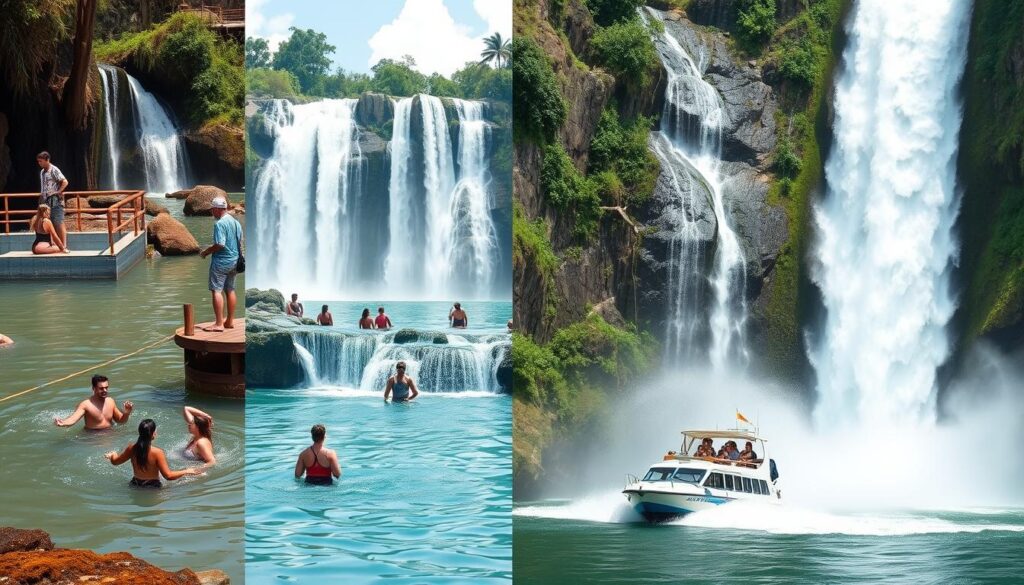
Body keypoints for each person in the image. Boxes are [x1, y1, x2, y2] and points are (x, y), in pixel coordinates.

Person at [105, 419, 202, 488]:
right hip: (152, 487)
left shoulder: (132, 448)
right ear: (153, 434)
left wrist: (113, 454)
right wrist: (187, 471)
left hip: (135, 484)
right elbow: (168, 476)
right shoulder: (157, 452)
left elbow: (115, 462)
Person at [199, 197, 242, 332]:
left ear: (218, 209)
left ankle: (219, 324)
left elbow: (220, 244)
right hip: (235, 261)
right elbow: (240, 241)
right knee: (230, 290)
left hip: (221, 262)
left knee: (216, 290)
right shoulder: (236, 223)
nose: (212, 211)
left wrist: (206, 252)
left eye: (212, 209)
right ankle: (229, 321)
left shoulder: (220, 224)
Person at [54, 375, 133, 430]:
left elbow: (121, 421)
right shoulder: (86, 404)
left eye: (106, 388)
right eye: (101, 388)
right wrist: (63, 423)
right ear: (93, 388)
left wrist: (127, 413)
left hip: (110, 434)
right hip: (93, 438)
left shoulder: (110, 401)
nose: (105, 390)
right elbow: (73, 419)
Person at [37, 152, 69, 252]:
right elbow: (43, 189)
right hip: (46, 202)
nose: (39, 163)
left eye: (41, 161)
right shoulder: (42, 172)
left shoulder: (54, 170)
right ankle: (54, 245)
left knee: (59, 222)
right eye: (38, 161)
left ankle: (64, 246)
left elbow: (65, 181)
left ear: (47, 160)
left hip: (56, 202)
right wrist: (41, 200)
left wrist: (58, 192)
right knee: (49, 223)